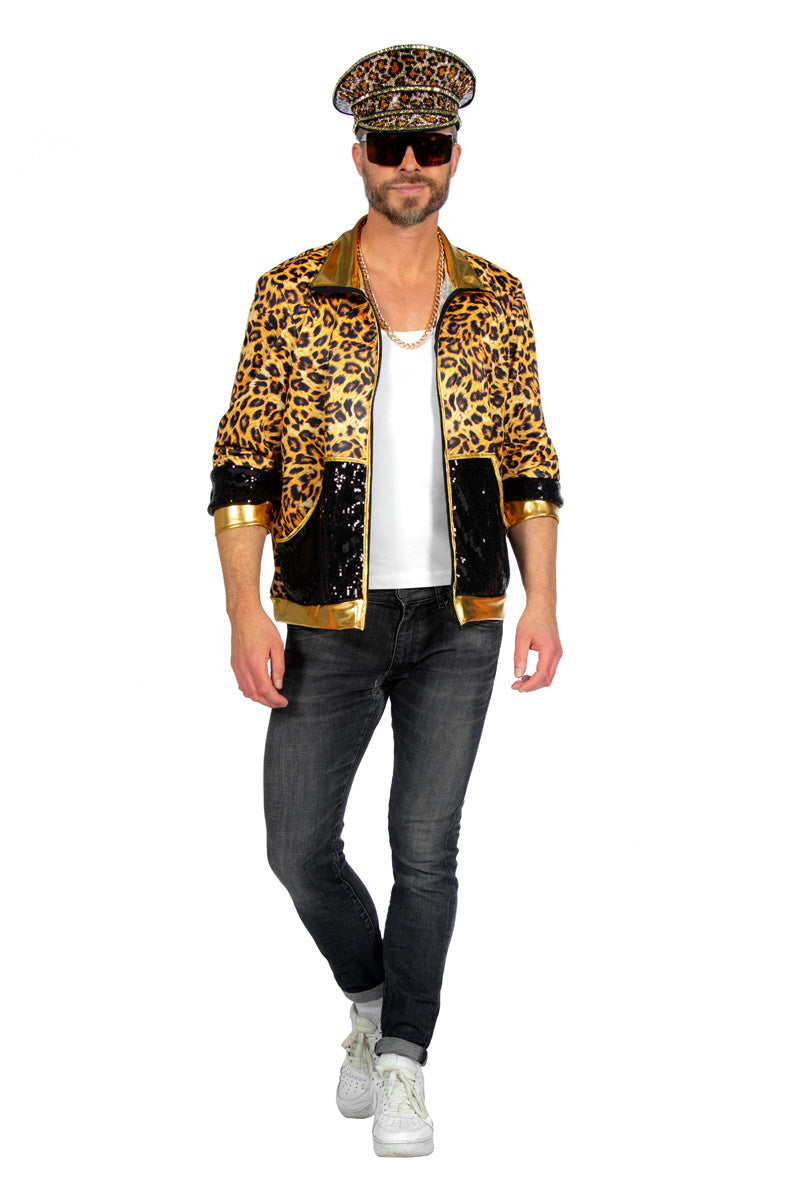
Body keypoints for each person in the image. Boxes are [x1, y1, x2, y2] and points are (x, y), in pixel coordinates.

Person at [208, 44, 563, 1158]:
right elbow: (241, 462)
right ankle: (369, 998)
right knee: (296, 846)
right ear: (359, 155)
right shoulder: (290, 293)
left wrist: (542, 601)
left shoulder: (496, 298)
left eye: (431, 145)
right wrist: (244, 612)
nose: (411, 164)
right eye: (391, 145)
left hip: (461, 618)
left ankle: (404, 1057)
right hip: (327, 616)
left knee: (425, 850)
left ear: (454, 156)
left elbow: (528, 457)